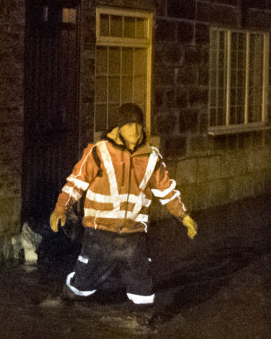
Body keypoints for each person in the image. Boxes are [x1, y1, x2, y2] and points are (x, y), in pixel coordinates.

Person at [50, 103, 198, 306]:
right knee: (81, 287)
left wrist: (184, 216)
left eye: (138, 125)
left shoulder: (151, 157)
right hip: (99, 235)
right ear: (118, 128)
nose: (135, 130)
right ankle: (61, 306)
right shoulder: (98, 152)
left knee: (143, 294)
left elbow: (166, 191)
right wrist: (61, 208)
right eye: (129, 125)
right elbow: (76, 183)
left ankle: (142, 325)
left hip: (134, 238)